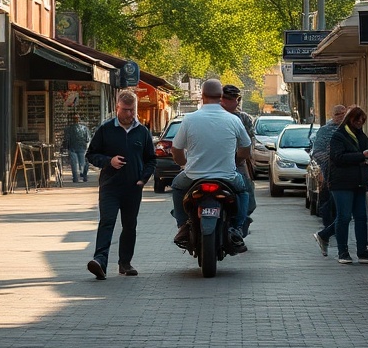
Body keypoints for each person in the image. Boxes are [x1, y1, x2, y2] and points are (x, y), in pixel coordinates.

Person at [171, 78, 251, 253]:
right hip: (228, 176)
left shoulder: (190, 119)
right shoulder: (233, 120)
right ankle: (237, 227)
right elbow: (246, 147)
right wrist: (235, 161)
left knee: (176, 187)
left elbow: (176, 149)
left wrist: (184, 164)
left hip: (193, 176)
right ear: (220, 96)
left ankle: (183, 225)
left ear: (202, 96)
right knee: (243, 191)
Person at [85, 90, 156, 279]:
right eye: (125, 110)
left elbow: (151, 159)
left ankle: (125, 263)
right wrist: (109, 161)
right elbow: (91, 154)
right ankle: (100, 261)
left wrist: (144, 178)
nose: (129, 114)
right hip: (110, 186)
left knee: (129, 225)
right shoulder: (106, 129)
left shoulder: (142, 132)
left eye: (132, 110)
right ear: (117, 107)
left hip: (133, 187)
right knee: (107, 221)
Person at [314, 105, 368, 265]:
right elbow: (338, 157)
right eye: (356, 120)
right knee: (343, 216)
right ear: (349, 120)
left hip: (360, 182)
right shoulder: (338, 136)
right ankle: (342, 251)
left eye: (362, 121)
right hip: (341, 183)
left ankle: (362, 251)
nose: (359, 123)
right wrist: (361, 156)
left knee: (361, 217)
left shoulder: (361, 136)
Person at [310, 104, 348, 255]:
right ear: (333, 115)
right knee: (330, 205)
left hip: (347, 175)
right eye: (338, 114)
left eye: (344, 114)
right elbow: (317, 152)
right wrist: (329, 164)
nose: (341, 116)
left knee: (341, 208)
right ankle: (329, 231)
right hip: (330, 174)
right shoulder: (325, 130)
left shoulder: (349, 130)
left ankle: (330, 232)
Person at [219, 83, 257, 224]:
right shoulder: (212, 116)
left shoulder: (244, 118)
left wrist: (241, 159)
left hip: (237, 162)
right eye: (226, 98)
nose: (233, 102)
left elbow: (248, 144)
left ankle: (240, 222)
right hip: (212, 162)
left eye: (235, 99)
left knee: (247, 195)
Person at [62, 113, 91, 182]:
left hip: (72, 147)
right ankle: (83, 176)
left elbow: (66, 139)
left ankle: (75, 178)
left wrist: (65, 147)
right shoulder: (84, 128)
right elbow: (88, 139)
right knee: (82, 163)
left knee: (74, 163)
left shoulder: (68, 129)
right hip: (81, 147)